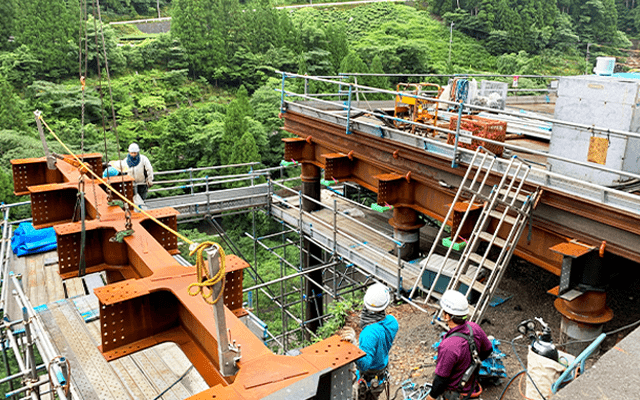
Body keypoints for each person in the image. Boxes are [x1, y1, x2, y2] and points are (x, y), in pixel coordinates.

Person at [426, 290, 493, 400]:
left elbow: (441, 379)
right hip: (472, 387)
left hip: (455, 394)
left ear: (447, 317)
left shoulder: (448, 346)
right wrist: (470, 367)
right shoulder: (474, 328)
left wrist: (431, 397)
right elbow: (488, 350)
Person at [341, 283, 399, 400]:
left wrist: (354, 345)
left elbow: (364, 365)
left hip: (368, 382)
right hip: (380, 375)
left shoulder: (368, 333)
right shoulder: (392, 322)